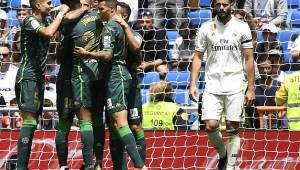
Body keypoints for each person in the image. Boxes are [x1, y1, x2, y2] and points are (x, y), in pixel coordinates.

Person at [74, 0, 146, 169]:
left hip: (122, 79)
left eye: (101, 9)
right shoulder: (113, 28)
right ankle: (120, 166)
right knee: (115, 125)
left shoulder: (120, 30)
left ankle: (141, 165)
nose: (98, 12)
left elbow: (118, 53)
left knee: (128, 124)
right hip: (116, 78)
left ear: (121, 14)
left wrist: (87, 54)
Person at [188, 0, 255, 169]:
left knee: (233, 127)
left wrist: (251, 88)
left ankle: (230, 166)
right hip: (212, 83)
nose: (222, 8)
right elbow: (197, 57)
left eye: (225, 4)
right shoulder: (205, 28)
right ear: (213, 5)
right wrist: (192, 84)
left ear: (231, 4)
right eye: (218, 4)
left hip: (235, 83)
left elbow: (249, 58)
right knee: (211, 125)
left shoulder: (242, 27)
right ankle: (224, 155)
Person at [14, 0, 69, 169]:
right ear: (37, 5)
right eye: (48, 2)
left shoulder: (44, 19)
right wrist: (60, 13)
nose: (51, 3)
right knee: (29, 121)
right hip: (28, 77)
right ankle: (20, 167)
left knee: (33, 122)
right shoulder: (30, 20)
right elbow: (48, 32)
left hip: (38, 78)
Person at [55, 0, 105, 169]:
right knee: (93, 118)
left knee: (69, 120)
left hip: (74, 77)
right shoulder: (97, 16)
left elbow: (59, 56)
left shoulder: (67, 23)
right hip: (94, 73)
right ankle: (95, 162)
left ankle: (75, 165)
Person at [107, 2, 146, 169]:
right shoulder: (109, 33)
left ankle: (140, 165)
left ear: (124, 16)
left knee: (135, 125)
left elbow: (137, 52)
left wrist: (125, 28)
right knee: (115, 125)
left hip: (132, 86)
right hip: (113, 83)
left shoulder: (135, 34)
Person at [245, 58, 282, 128]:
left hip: (275, 128)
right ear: (258, 69)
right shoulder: (252, 87)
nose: (265, 71)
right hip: (255, 128)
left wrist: (278, 116)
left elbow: (284, 105)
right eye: (262, 68)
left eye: (268, 68)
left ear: (272, 68)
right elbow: (247, 107)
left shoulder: (279, 86)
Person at [137, 9, 168, 77]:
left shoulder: (161, 33)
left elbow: (162, 58)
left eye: (147, 22)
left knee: (163, 70)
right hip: (141, 63)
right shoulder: (136, 34)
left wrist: (149, 64)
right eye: (142, 22)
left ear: (152, 23)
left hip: (156, 63)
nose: (144, 24)